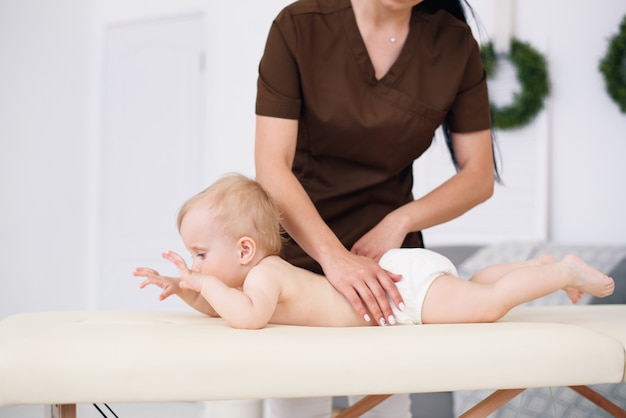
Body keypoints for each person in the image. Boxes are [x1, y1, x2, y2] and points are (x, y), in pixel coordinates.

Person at [254, 0, 498, 414]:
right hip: (299, 247)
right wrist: (333, 256)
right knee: (296, 402)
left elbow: (479, 177)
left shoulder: (454, 45)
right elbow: (271, 166)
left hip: (388, 261)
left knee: (383, 404)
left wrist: (400, 219)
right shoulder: (299, 26)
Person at [133, 173, 615, 330]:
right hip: (389, 280)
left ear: (244, 250)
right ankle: (534, 267)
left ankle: (564, 274)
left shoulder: (265, 275)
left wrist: (204, 283)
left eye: (198, 254)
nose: (196, 265)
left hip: (394, 295)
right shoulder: (246, 280)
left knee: (485, 308)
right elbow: (222, 310)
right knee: (470, 292)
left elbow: (247, 318)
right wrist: (183, 290)